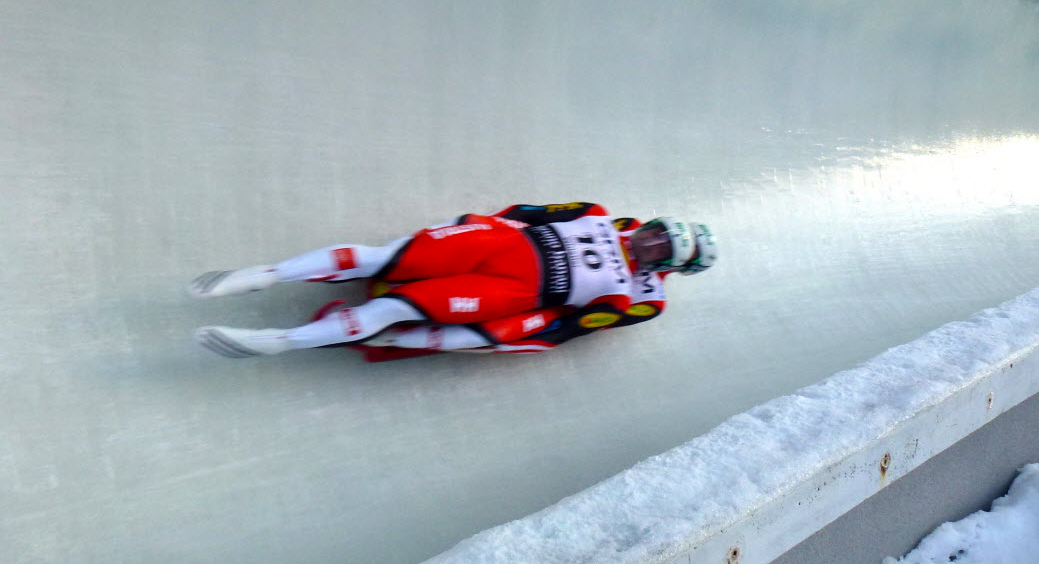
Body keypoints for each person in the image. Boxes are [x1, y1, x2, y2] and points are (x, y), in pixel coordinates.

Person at [191, 202, 717, 360]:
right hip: (498, 244)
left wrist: (504, 336)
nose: (649, 242)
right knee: (382, 258)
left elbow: (568, 327)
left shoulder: (629, 298)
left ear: (665, 268)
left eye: (660, 249)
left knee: (396, 308)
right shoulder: (597, 213)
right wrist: (478, 225)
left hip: (514, 292)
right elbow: (527, 213)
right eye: (655, 231)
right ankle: (264, 275)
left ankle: (280, 342)